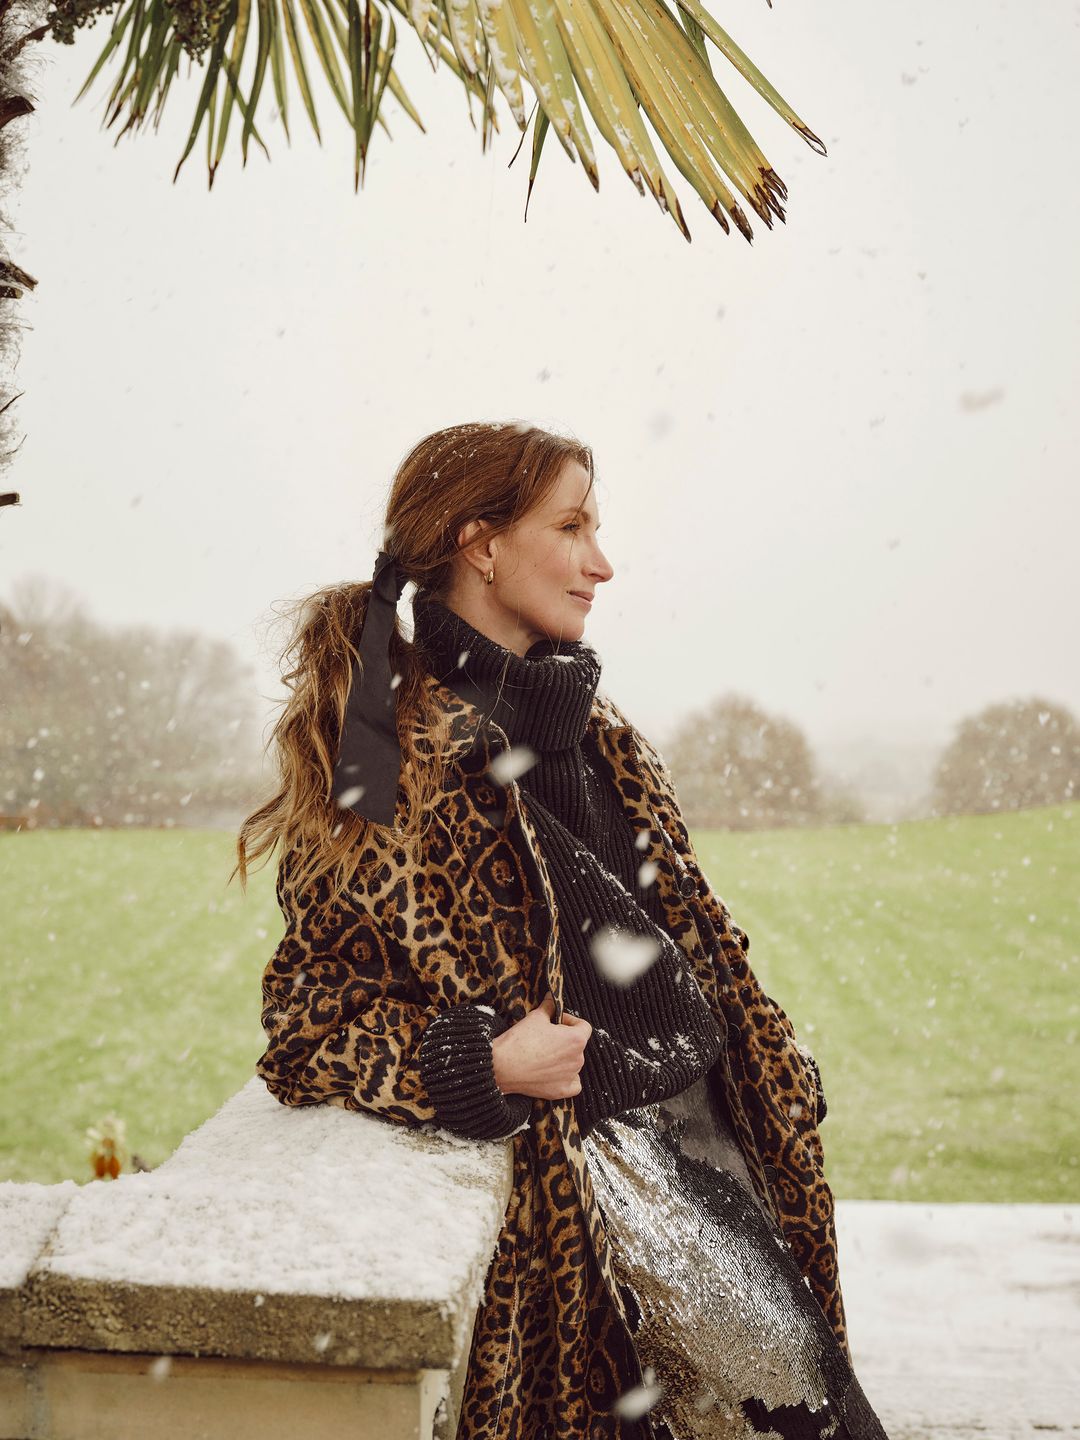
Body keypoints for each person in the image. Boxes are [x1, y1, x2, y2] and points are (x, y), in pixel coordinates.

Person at [236, 420, 890, 1440]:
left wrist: (770, 1064)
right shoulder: (392, 763)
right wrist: (478, 1062)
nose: (603, 563)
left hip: (719, 1171)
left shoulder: (598, 728)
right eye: (572, 526)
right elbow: (306, 1022)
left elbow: (688, 946)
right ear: (480, 544)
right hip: (592, 1239)